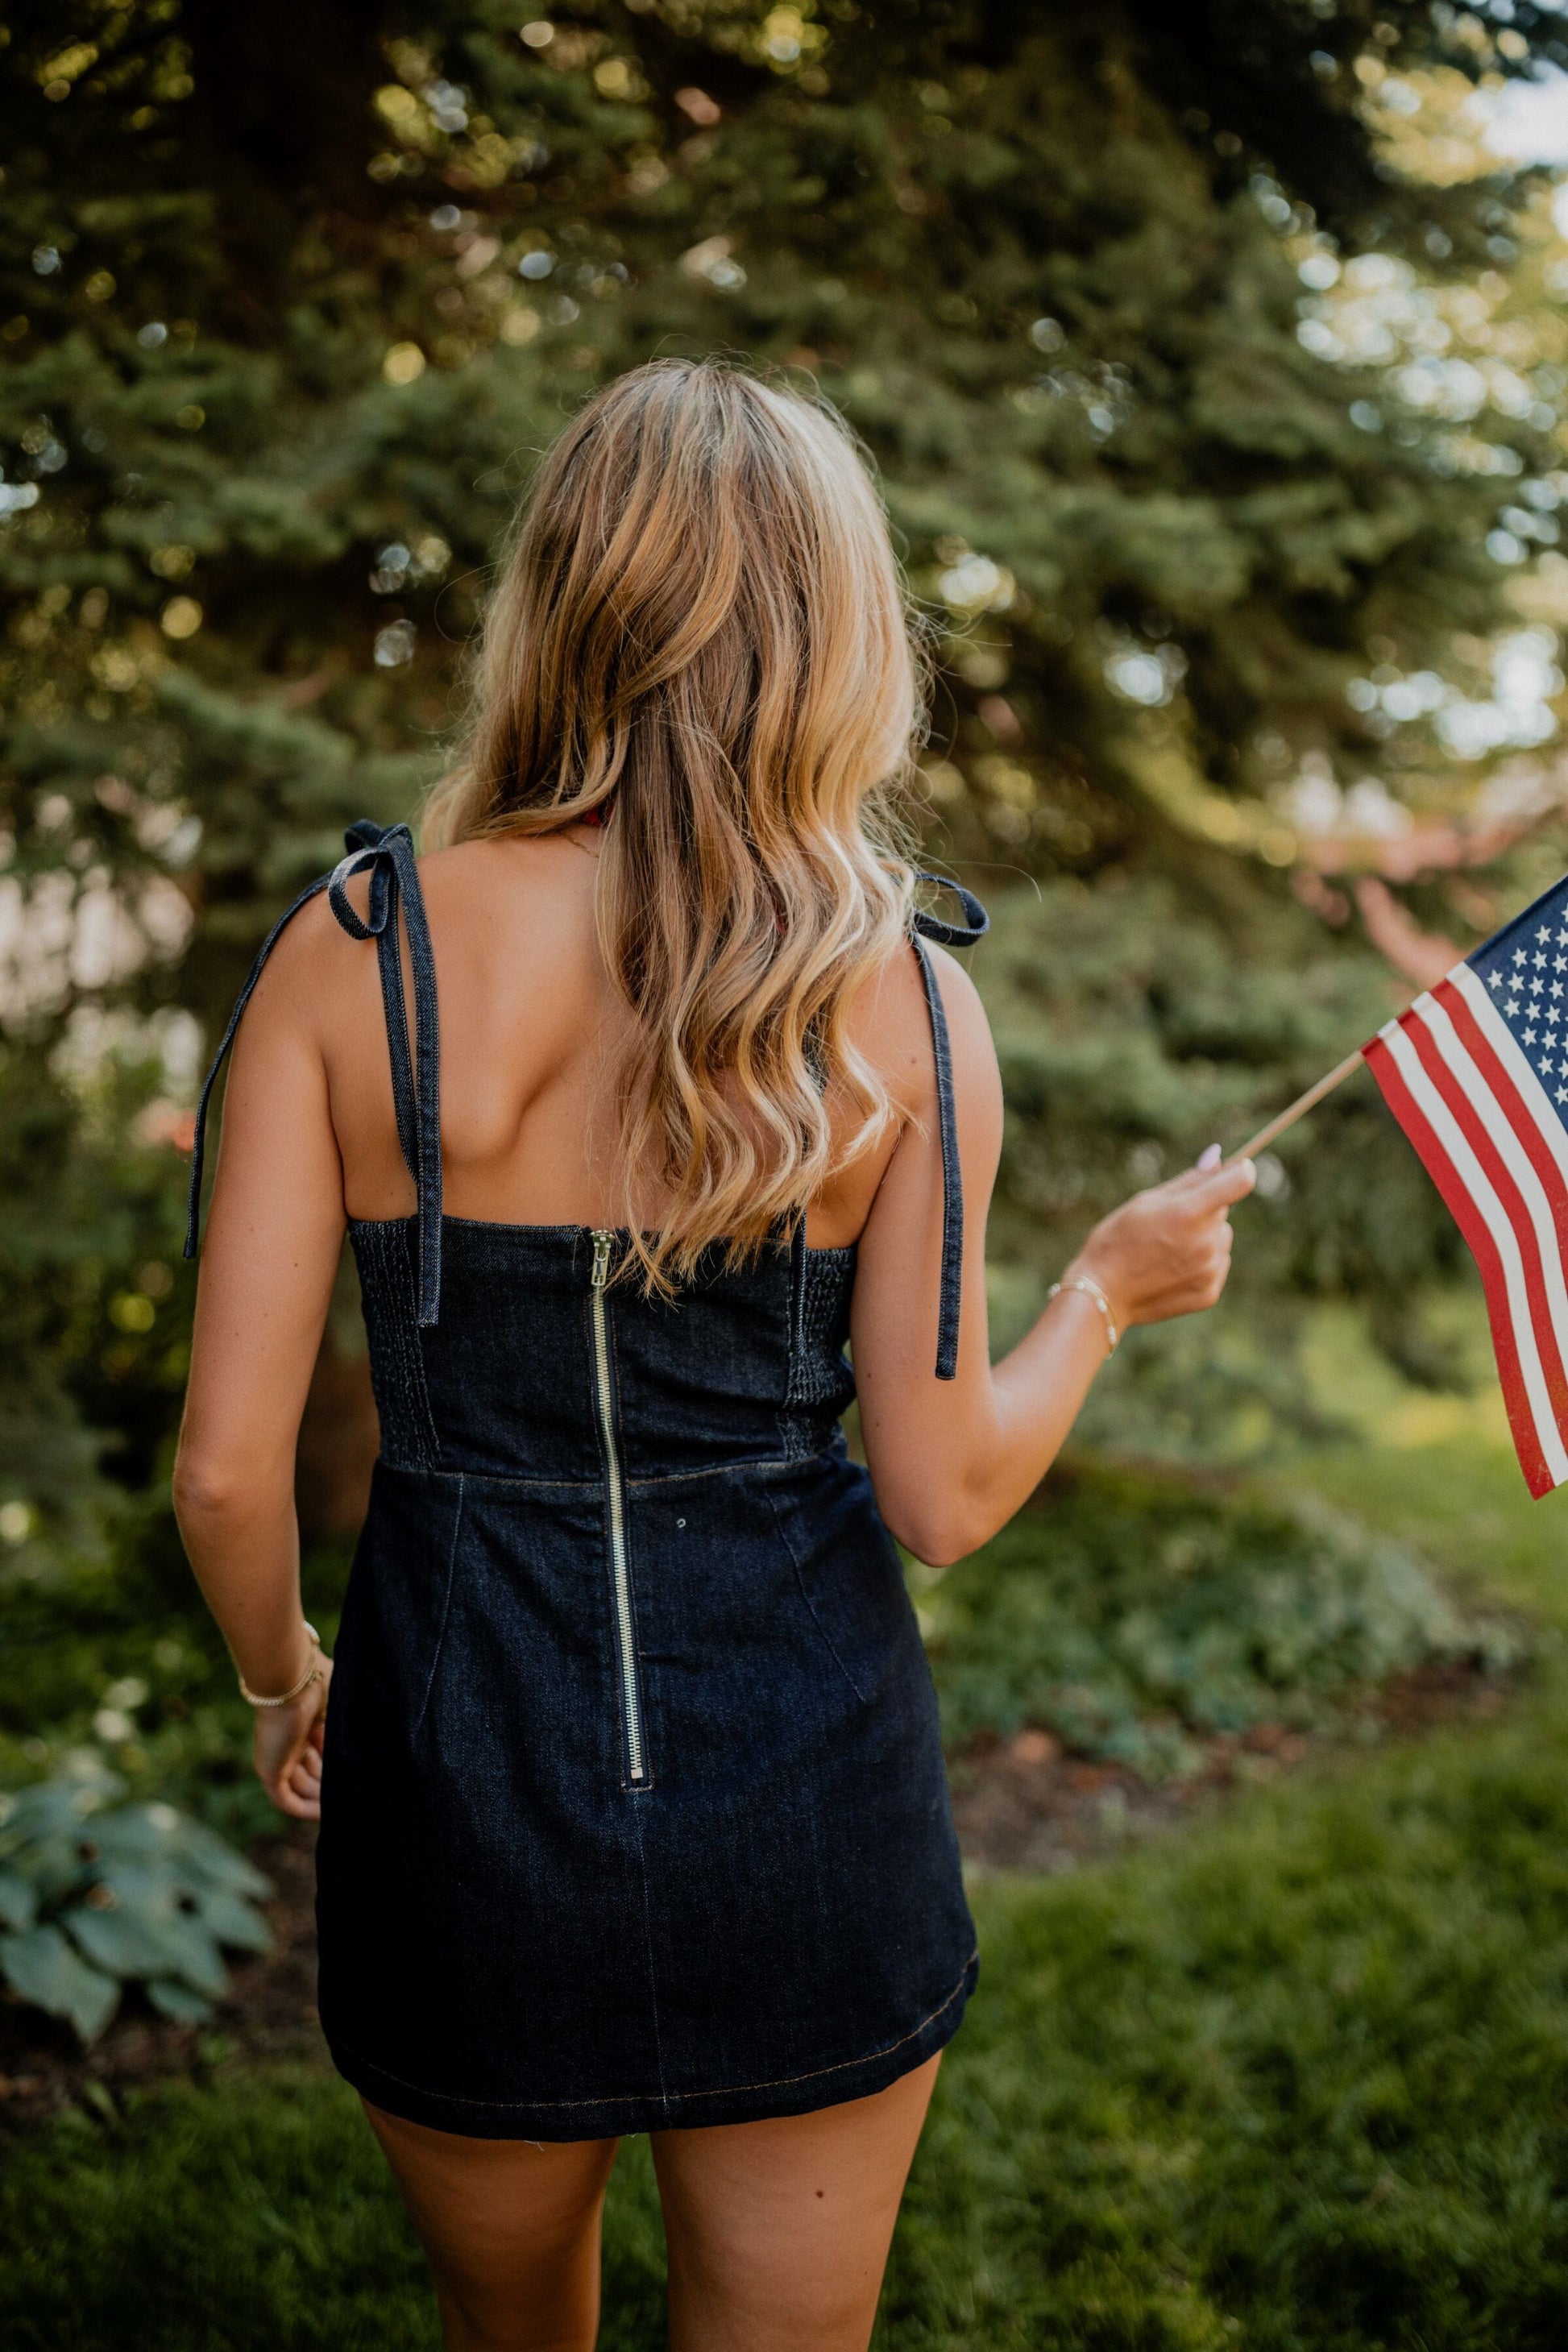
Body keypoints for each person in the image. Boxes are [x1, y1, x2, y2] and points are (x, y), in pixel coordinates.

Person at [173, 359, 1253, 2352]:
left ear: (556, 598)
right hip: (805, 1800)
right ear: (835, 633)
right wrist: (1103, 1291)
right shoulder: (903, 1005)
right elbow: (941, 1497)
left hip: (453, 1785)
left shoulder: (356, 948)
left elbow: (229, 1476)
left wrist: (282, 1676)